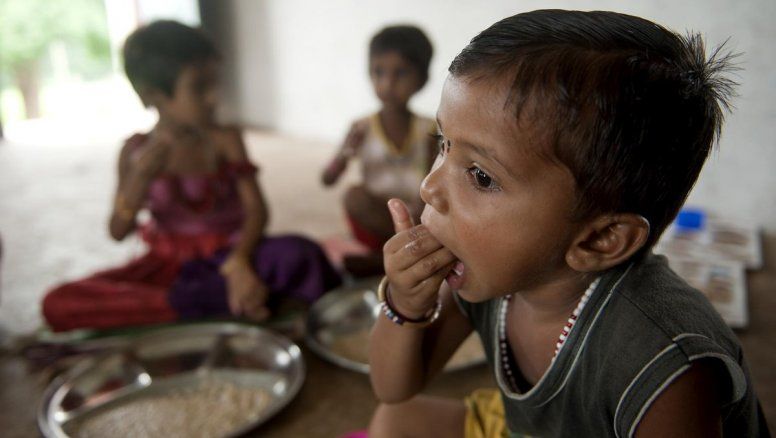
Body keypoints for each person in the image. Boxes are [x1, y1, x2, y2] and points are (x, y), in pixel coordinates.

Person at [367, 10, 769, 437]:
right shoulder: (488, 268)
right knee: (396, 421)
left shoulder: (665, 365)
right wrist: (405, 304)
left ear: (599, 239)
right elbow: (394, 388)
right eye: (444, 144)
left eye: (481, 176)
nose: (429, 186)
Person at [42, 20, 341, 332]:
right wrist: (139, 179)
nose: (214, 98)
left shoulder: (225, 140)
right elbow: (118, 231)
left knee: (301, 253)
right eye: (199, 88)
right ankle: (216, 302)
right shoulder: (134, 152)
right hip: (168, 268)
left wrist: (238, 262)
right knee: (60, 301)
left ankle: (210, 304)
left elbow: (257, 211)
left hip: (232, 255)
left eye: (215, 84)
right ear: (152, 96)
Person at [321, 25, 438, 276]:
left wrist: (421, 211)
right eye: (379, 72)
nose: (388, 83)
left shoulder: (429, 129)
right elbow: (327, 179)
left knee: (437, 208)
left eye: (401, 73)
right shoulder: (361, 128)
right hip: (375, 216)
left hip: (415, 215)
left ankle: (384, 259)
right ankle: (400, 253)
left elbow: (434, 178)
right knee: (353, 196)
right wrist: (344, 155)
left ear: (422, 79)